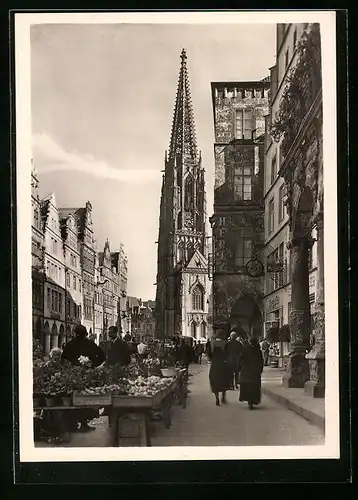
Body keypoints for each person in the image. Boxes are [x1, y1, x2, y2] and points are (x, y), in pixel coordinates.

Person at [61, 324, 105, 432]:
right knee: (85, 398)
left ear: (75, 333)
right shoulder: (90, 344)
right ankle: (84, 423)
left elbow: (63, 359)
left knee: (73, 398)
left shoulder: (70, 344)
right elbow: (102, 356)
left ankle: (73, 423)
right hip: (87, 374)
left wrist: (71, 366)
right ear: (85, 333)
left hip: (72, 375)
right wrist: (92, 364)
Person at [238, 336, 264, 410]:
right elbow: (261, 361)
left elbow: (240, 359)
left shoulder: (245, 349)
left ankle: (249, 401)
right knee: (254, 387)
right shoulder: (258, 351)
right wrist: (260, 370)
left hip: (246, 370)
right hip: (255, 371)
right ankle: (253, 401)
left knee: (247, 386)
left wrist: (240, 367)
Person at [208, 333, 232, 406]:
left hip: (215, 364)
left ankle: (217, 398)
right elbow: (228, 354)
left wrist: (212, 359)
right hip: (223, 364)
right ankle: (223, 397)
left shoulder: (212, 343)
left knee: (214, 379)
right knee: (224, 379)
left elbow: (209, 354)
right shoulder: (225, 343)